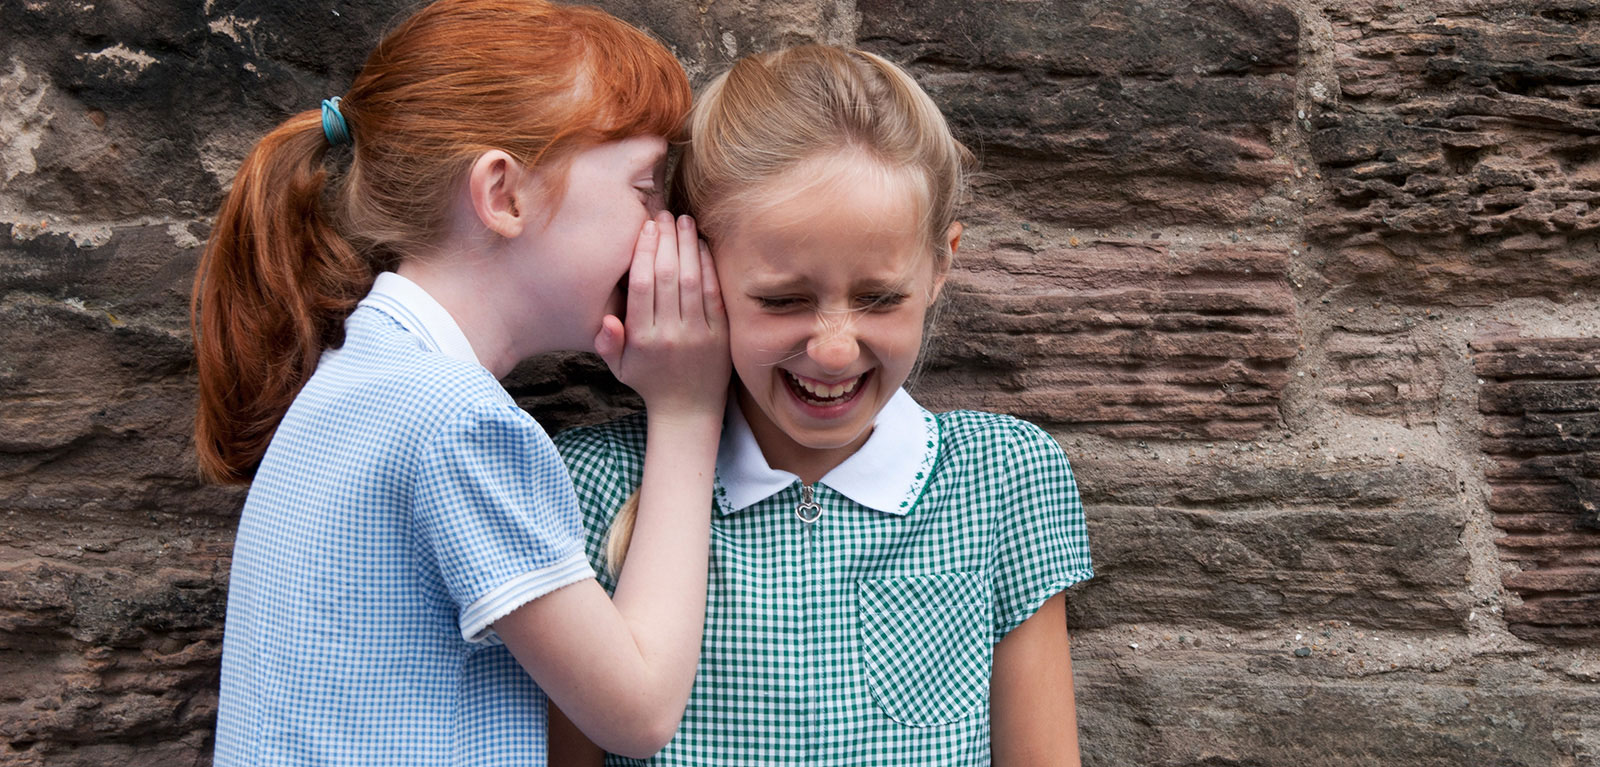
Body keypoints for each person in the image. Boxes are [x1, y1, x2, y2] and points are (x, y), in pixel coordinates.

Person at [190, 1, 729, 764]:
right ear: (503, 195)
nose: (665, 229)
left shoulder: (358, 374)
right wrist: (687, 408)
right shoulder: (456, 422)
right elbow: (638, 709)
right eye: (645, 191)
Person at [549, 45, 1094, 766]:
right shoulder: (590, 485)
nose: (835, 349)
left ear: (940, 265)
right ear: (691, 272)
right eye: (783, 299)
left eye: (879, 297)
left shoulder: (1002, 480)